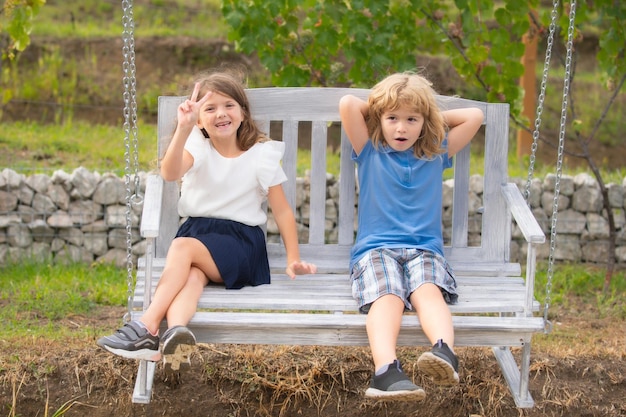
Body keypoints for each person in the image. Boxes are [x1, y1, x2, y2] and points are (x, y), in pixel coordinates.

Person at [97, 70, 317, 372]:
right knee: (192, 278)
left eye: (228, 105)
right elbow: (170, 173)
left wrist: (293, 259)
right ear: (199, 120)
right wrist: (183, 130)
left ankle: (146, 327)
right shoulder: (197, 146)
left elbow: (281, 211)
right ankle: (175, 332)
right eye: (209, 109)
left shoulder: (261, 154)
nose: (221, 114)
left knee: (183, 248)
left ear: (242, 112)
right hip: (199, 237)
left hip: (241, 243)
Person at [338, 72, 484, 401]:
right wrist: (388, 109)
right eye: (392, 119)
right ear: (379, 119)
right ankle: (386, 372)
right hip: (376, 250)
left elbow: (475, 116)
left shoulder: (435, 152)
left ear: (424, 122)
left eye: (411, 119)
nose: (401, 128)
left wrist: (430, 118)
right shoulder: (371, 149)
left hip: (424, 250)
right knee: (387, 296)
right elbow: (348, 104)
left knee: (427, 291)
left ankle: (445, 352)